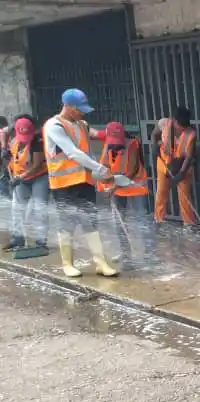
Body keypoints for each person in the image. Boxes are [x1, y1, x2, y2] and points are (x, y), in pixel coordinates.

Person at [42, 88, 118, 278]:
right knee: (67, 223)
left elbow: (94, 135)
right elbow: (73, 153)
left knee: (91, 222)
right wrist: (102, 170)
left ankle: (100, 263)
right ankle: (68, 264)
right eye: (79, 109)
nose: (82, 113)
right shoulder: (54, 125)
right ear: (67, 106)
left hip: (84, 181)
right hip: (63, 184)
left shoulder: (82, 124)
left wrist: (109, 134)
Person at [97, 121, 155, 269]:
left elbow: (132, 170)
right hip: (117, 190)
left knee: (142, 221)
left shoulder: (133, 144)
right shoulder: (107, 146)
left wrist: (114, 186)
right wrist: (105, 186)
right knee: (119, 222)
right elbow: (103, 168)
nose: (116, 145)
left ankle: (150, 256)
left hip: (135, 187)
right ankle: (126, 254)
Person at [5, 115, 49, 253]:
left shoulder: (37, 141)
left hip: (39, 177)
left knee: (40, 208)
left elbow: (36, 165)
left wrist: (20, 177)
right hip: (19, 178)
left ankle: (41, 242)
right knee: (17, 209)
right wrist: (4, 151)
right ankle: (17, 240)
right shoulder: (12, 137)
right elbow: (4, 136)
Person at [152, 106, 198, 226]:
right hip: (164, 164)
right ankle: (158, 220)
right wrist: (155, 147)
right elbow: (154, 134)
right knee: (161, 193)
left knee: (184, 196)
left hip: (183, 167)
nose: (182, 128)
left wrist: (180, 174)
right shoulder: (164, 123)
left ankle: (189, 224)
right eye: (180, 125)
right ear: (174, 120)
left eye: (184, 126)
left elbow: (189, 156)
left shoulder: (191, 134)